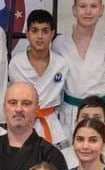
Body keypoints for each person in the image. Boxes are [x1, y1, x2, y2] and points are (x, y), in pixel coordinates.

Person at [51, 0, 105, 132]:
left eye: (93, 6)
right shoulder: (59, 44)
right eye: (82, 6)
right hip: (71, 112)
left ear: (101, 10)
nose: (88, 11)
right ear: (74, 9)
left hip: (101, 111)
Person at [7, 10, 70, 149]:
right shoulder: (17, 63)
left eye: (45, 31)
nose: (40, 36)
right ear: (27, 33)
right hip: (23, 123)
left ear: (52, 34)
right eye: (35, 31)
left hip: (53, 126)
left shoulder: (61, 64)